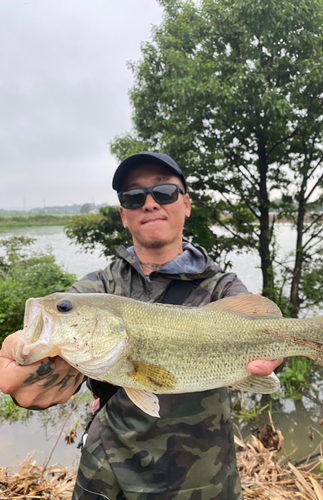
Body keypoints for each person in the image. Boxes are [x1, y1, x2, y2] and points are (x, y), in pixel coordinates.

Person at [0, 152, 282, 500]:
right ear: (123, 214)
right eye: (134, 197)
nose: (149, 204)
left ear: (186, 204)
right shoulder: (98, 290)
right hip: (107, 479)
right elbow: (59, 343)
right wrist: (32, 362)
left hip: (205, 481)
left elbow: (261, 324)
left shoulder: (221, 288)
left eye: (163, 192)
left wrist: (276, 349)